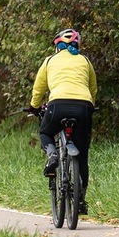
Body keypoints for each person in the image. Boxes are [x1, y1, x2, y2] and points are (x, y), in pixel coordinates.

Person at [26, 28, 97, 214]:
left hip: (57, 105)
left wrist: (34, 107)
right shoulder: (85, 60)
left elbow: (39, 88)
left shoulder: (49, 61)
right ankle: (80, 200)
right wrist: (90, 105)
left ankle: (52, 155)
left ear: (57, 45)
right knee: (82, 157)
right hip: (83, 107)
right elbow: (93, 88)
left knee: (45, 132)